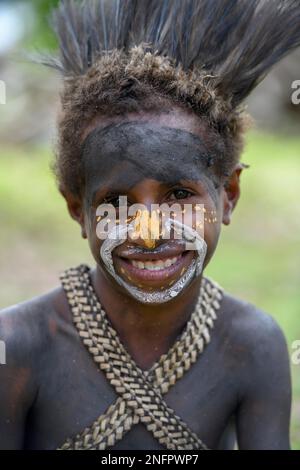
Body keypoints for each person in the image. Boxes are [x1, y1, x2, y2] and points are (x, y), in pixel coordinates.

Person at [0, 0, 299, 450]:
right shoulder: (18, 346)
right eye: (116, 202)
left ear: (229, 195)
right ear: (78, 209)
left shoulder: (252, 345)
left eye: (179, 195)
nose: (147, 231)